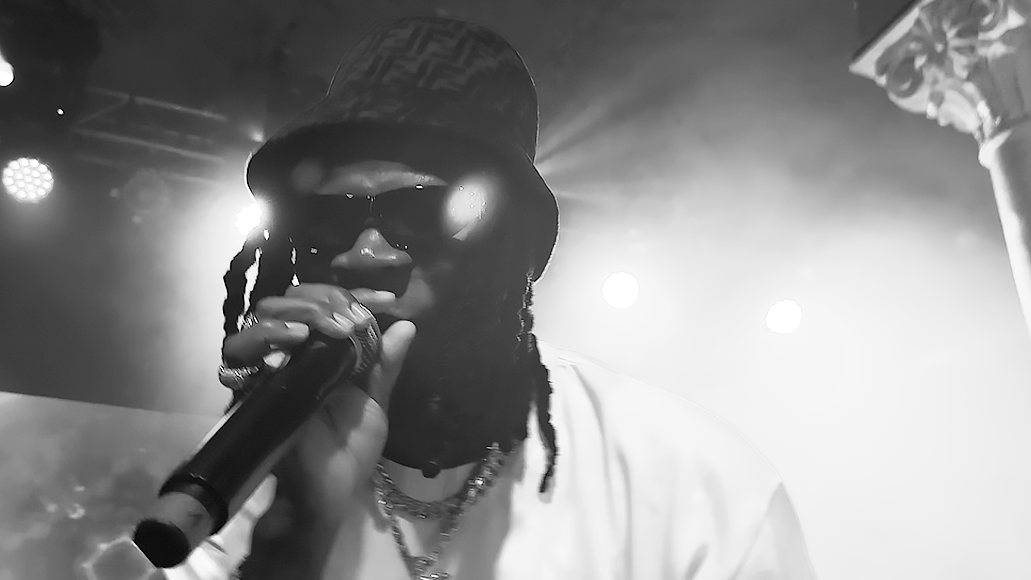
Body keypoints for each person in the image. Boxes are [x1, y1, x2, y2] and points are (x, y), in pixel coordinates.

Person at [164, 16, 817, 580]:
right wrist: (293, 536)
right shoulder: (243, 471)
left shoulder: (694, 487)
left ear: (513, 242)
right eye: (329, 218)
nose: (365, 254)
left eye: (419, 213)